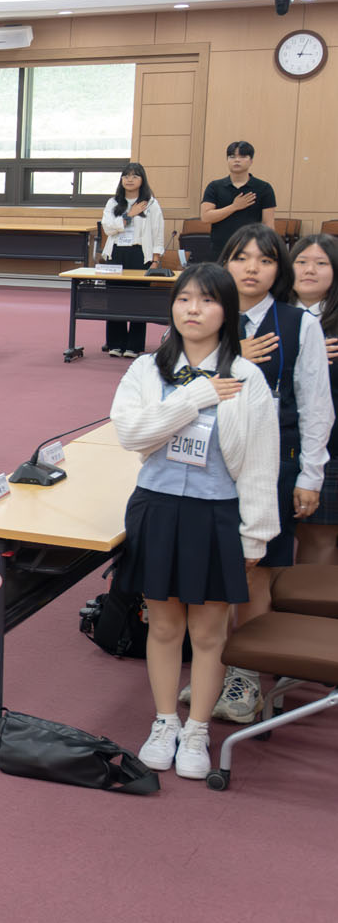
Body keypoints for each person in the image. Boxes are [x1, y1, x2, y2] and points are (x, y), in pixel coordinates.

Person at [109, 261, 279, 781]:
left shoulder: (247, 377)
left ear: (226, 311)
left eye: (207, 300)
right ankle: (165, 722)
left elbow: (261, 462)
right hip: (157, 508)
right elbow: (131, 434)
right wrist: (194, 397)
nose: (193, 310)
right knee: (164, 625)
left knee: (208, 631)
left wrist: (256, 535)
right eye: (184, 299)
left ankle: (199, 729)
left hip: (217, 513)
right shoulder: (147, 370)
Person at [212, 223, 334, 720]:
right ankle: (213, 671)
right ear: (225, 263)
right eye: (241, 258)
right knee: (212, 571)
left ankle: (244, 681)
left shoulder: (298, 323)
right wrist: (230, 356)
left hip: (273, 462)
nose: (252, 269)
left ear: (278, 270)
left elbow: (316, 405)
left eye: (265, 260)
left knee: (256, 571)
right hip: (209, 460)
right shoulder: (205, 313)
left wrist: (310, 475)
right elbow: (171, 384)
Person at [290, 232, 338, 566]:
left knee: (319, 536)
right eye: (302, 261)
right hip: (279, 443)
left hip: (330, 447)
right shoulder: (270, 317)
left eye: (321, 263)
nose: (309, 270)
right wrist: (305, 351)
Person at [99, 163, 166, 358]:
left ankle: (134, 345)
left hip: (139, 255)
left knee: (138, 300)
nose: (130, 179)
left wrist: (155, 260)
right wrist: (129, 215)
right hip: (116, 254)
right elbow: (108, 228)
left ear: (142, 180)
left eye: (135, 176)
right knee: (115, 299)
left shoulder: (151, 204)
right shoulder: (113, 202)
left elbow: (157, 233)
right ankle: (115, 343)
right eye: (126, 176)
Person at [201, 141, 277, 260]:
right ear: (227, 160)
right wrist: (234, 206)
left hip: (251, 249)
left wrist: (268, 251)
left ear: (251, 161)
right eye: (232, 157)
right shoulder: (215, 187)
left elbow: (268, 224)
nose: (237, 160)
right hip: (220, 250)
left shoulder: (264, 188)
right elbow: (206, 217)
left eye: (242, 156)